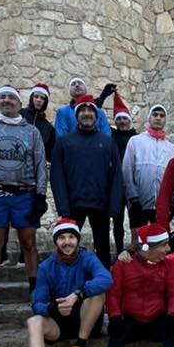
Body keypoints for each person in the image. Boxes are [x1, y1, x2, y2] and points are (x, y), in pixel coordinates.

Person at [23, 219, 113, 347]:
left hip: (85, 319)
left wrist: (78, 294)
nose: (67, 242)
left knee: (98, 293)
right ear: (56, 241)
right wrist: (54, 308)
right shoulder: (46, 266)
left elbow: (106, 279)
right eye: (62, 238)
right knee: (33, 321)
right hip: (59, 322)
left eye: (71, 237)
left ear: (77, 240)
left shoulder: (88, 258)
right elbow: (37, 303)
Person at [0, 84, 48, 296]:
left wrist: (40, 196)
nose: (7, 100)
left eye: (11, 97)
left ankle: (35, 290)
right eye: (3, 97)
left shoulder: (31, 131)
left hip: (25, 194)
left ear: (19, 103)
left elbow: (40, 165)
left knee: (28, 243)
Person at [51, 95, 124, 269]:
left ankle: (103, 287)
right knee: (67, 246)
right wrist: (63, 206)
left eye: (90, 110)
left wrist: (114, 206)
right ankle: (64, 282)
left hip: (101, 205)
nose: (86, 114)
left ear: (96, 115)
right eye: (82, 110)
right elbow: (57, 176)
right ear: (77, 115)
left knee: (103, 249)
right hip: (72, 205)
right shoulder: (64, 142)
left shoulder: (107, 142)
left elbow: (116, 176)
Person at [122, 103, 174, 232]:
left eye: (161, 116)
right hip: (138, 203)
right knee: (139, 242)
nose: (158, 118)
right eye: (155, 115)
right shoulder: (135, 141)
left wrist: (172, 203)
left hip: (161, 206)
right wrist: (133, 198)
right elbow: (127, 170)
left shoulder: (171, 148)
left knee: (159, 242)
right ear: (149, 118)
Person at [110, 91, 137, 253]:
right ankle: (119, 250)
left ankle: (137, 250)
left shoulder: (137, 137)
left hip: (133, 184)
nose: (121, 122)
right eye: (118, 119)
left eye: (124, 119)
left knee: (136, 220)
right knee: (117, 219)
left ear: (129, 121)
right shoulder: (111, 136)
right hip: (116, 185)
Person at [19, 82, 56, 164]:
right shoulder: (19, 114)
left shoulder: (48, 128)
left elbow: (50, 155)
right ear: (31, 98)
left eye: (42, 98)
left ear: (45, 102)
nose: (39, 100)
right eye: (36, 96)